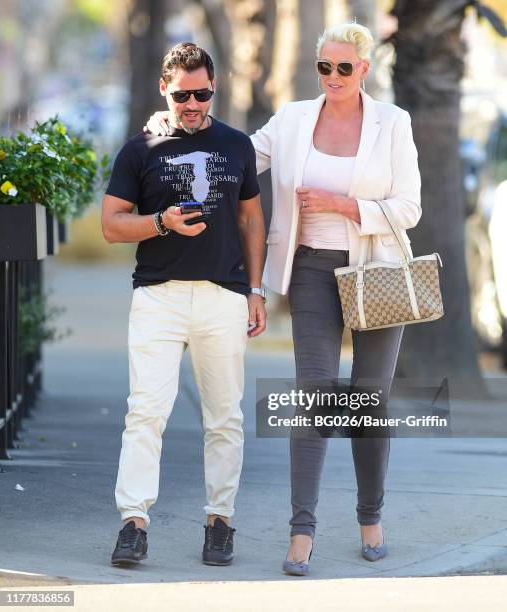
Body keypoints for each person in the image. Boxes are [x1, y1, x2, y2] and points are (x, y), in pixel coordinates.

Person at [145, 22, 421, 574]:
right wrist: (173, 127)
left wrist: (343, 204)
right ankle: (302, 531)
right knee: (314, 396)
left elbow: (410, 207)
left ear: (364, 69)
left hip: (378, 272)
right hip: (312, 270)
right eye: (325, 67)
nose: (334, 77)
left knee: (369, 402)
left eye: (344, 68)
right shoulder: (294, 119)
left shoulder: (393, 123)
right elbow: (239, 157)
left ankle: (371, 517)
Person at [102, 42, 267, 568]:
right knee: (145, 411)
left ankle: (220, 521)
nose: (192, 104)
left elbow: (250, 219)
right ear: (164, 90)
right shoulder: (140, 150)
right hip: (158, 295)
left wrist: (256, 289)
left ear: (214, 88)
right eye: (182, 95)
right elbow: (110, 224)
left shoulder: (237, 145)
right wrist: (159, 222)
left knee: (224, 418)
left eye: (201, 93)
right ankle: (133, 522)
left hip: (223, 296)